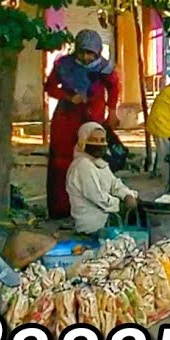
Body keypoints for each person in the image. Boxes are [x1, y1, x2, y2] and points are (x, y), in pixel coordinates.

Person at [44, 29, 120, 220]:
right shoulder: (63, 65)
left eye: (90, 53)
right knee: (62, 162)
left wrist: (112, 110)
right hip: (66, 120)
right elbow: (50, 87)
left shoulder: (105, 68)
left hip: (93, 118)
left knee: (92, 160)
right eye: (82, 52)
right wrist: (69, 96)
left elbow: (114, 87)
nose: (86, 57)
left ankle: (94, 205)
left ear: (97, 52)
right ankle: (61, 209)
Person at [66, 122, 139, 235]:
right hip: (93, 225)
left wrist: (127, 195)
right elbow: (97, 197)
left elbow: (114, 183)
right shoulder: (82, 165)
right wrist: (120, 203)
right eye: (94, 140)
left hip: (105, 217)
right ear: (83, 141)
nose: (99, 144)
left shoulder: (99, 163)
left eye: (102, 140)